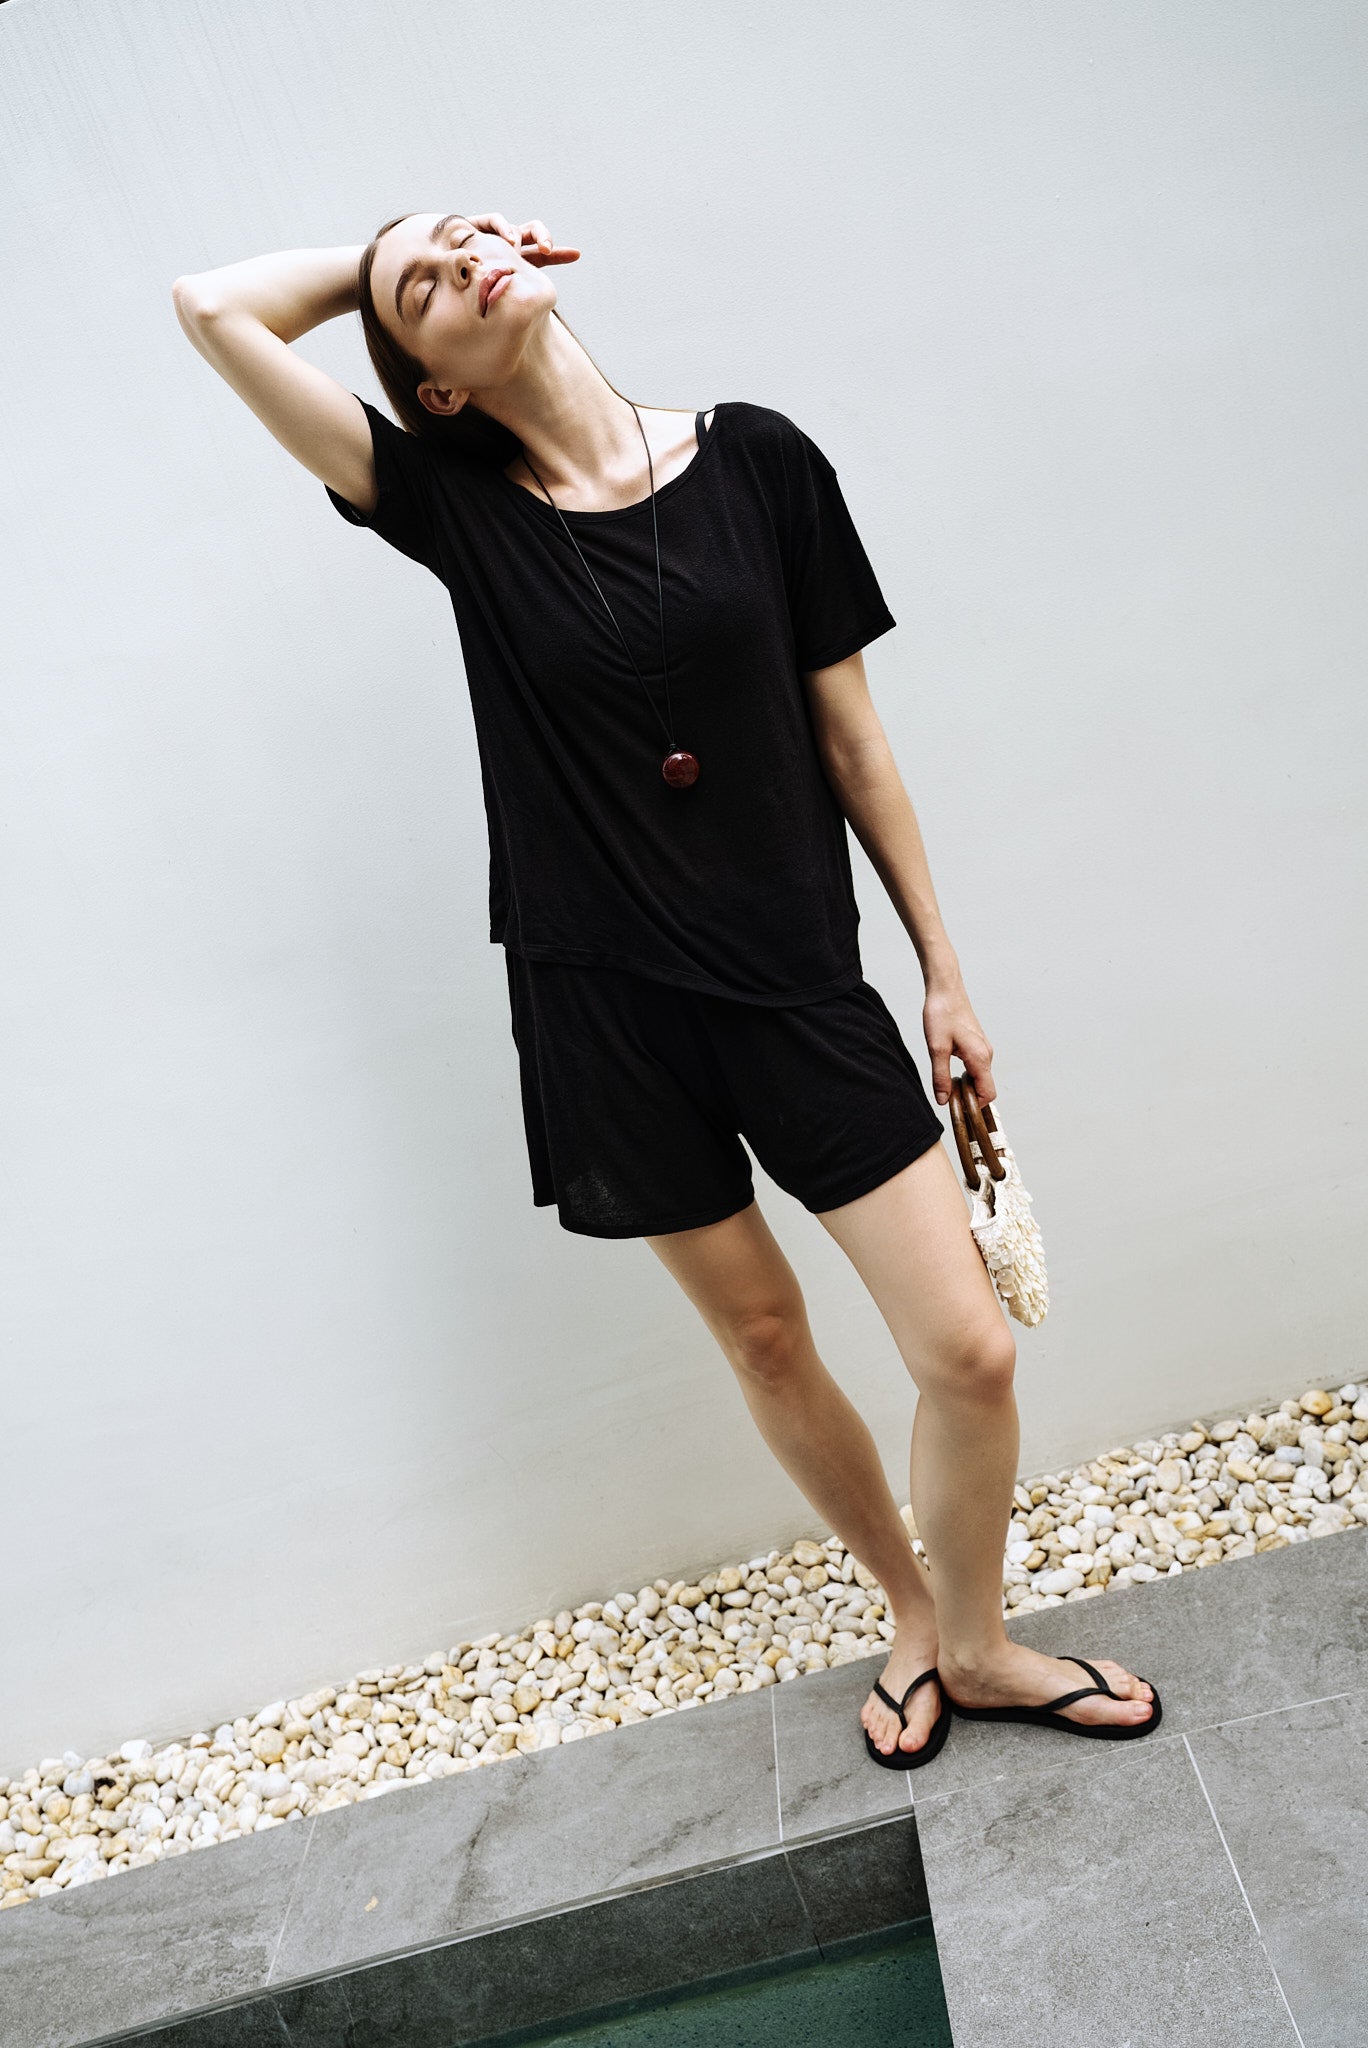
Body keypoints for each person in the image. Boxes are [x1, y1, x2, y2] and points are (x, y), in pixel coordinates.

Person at [171, 209, 1158, 1765]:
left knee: (967, 1351)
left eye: (473, 235)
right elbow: (210, 307)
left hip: (792, 979)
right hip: (604, 1007)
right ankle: (914, 1617)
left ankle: (980, 1644)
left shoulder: (761, 460)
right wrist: (385, 260)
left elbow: (854, 744)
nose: (463, 262)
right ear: (432, 385)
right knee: (764, 1338)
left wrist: (942, 976)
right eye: (426, 288)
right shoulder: (449, 506)